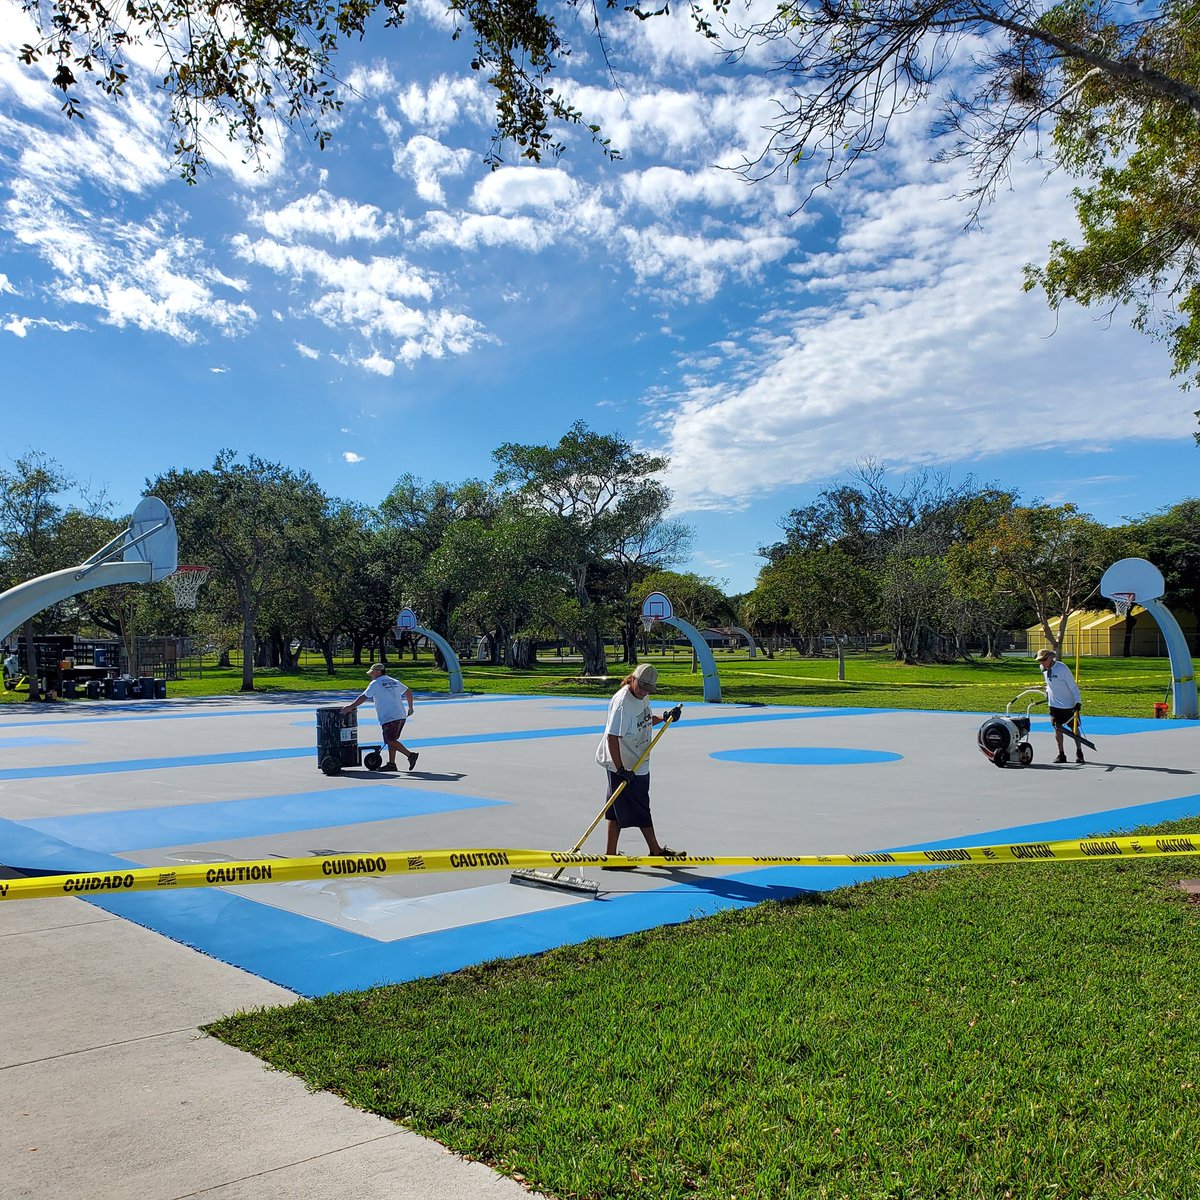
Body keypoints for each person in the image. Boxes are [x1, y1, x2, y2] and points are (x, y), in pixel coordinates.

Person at [594, 662, 684, 865]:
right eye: (641, 687)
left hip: (638, 759)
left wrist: (664, 717)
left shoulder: (642, 696)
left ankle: (610, 856)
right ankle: (655, 852)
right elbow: (612, 737)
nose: (644, 692)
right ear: (633, 679)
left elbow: (643, 719)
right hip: (623, 763)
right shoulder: (622, 703)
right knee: (641, 806)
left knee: (615, 807)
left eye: (648, 689)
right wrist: (620, 769)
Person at [342, 663, 419, 773]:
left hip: (389, 716)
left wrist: (351, 706)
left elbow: (364, 696)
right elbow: (408, 692)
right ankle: (392, 764)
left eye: (372, 673)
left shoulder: (376, 683)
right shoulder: (394, 681)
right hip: (401, 715)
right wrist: (411, 707)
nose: (371, 676)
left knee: (389, 740)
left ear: (378, 672)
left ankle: (410, 755)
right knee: (392, 740)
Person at [1036, 648, 1084, 764]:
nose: (1041, 662)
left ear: (1050, 658)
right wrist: (1047, 694)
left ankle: (1079, 751)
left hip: (1068, 705)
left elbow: (1073, 686)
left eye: (1043, 660)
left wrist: (1077, 702)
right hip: (1054, 705)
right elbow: (1049, 684)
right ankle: (1061, 754)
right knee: (1057, 728)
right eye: (1040, 660)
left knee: (1074, 729)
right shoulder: (1043, 668)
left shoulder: (1062, 669)